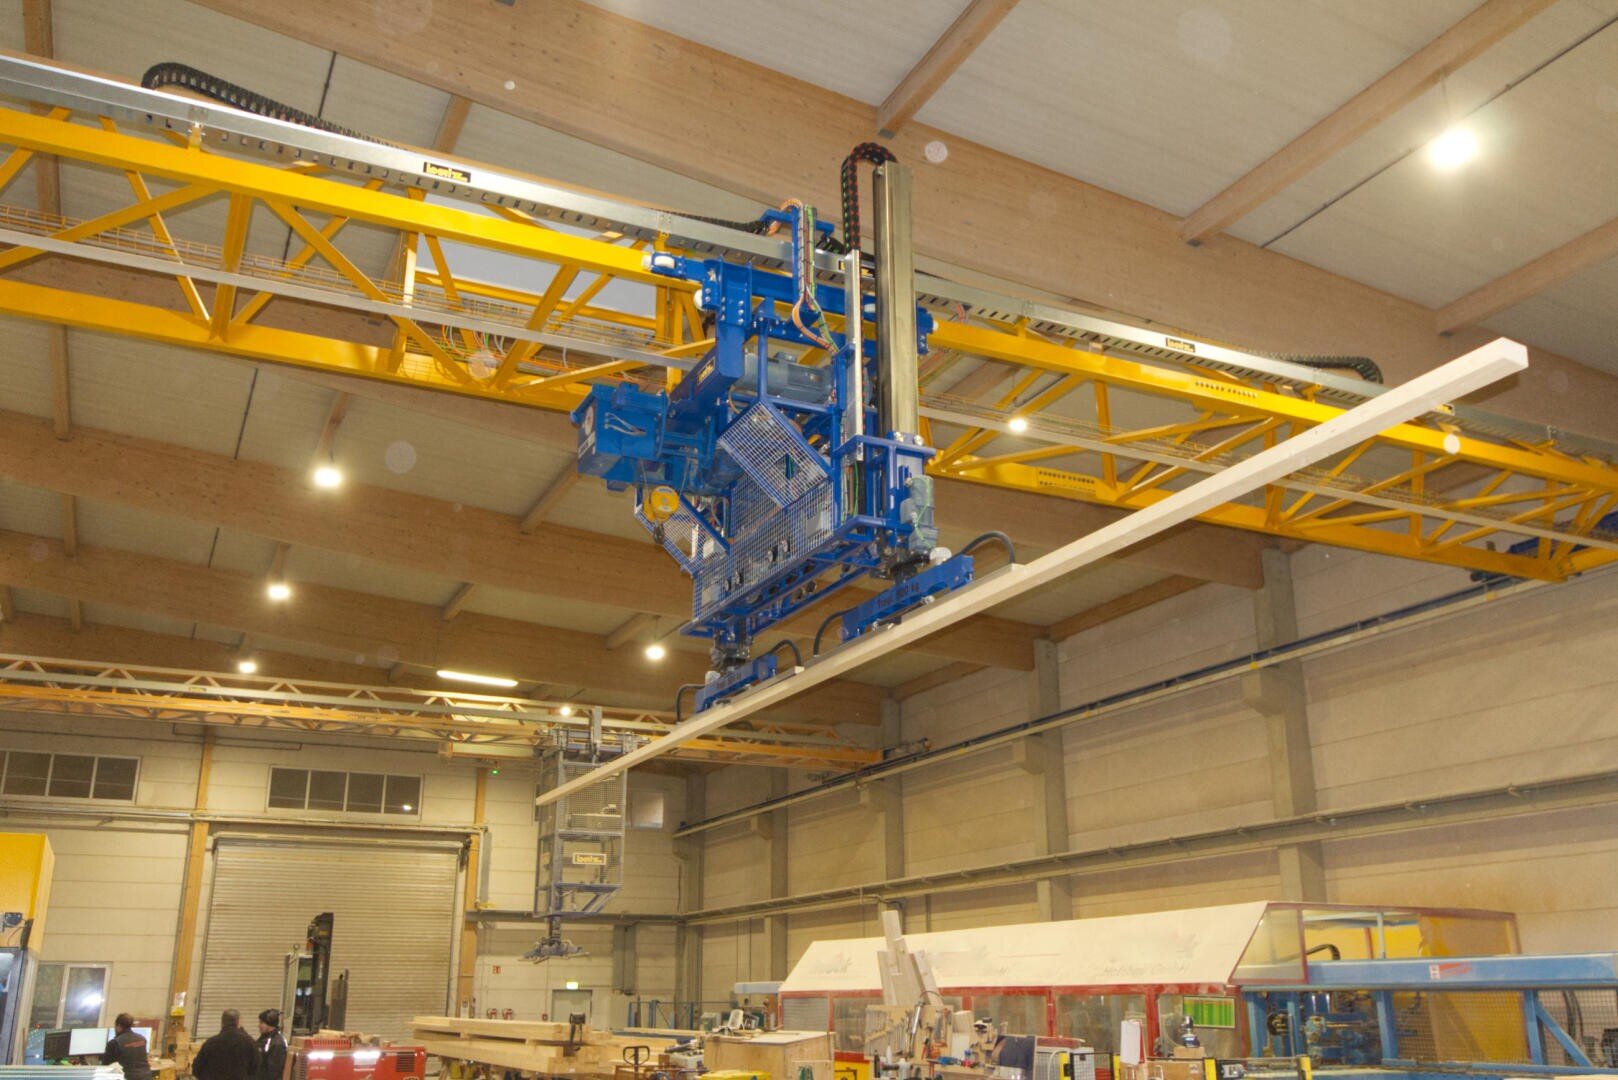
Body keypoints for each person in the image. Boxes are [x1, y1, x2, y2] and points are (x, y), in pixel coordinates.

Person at [192, 1009, 261, 1080]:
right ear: (238, 1023)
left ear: (222, 1024)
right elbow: (256, 1069)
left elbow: (197, 1069)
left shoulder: (210, 1043)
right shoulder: (250, 1043)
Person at [102, 1013, 154, 1080]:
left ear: (118, 1026)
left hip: (126, 1077)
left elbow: (105, 1067)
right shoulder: (142, 1039)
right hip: (146, 1076)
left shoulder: (114, 1043)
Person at [256, 1009, 287, 1080]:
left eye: (261, 1023)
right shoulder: (264, 1038)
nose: (259, 1025)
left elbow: (273, 1071)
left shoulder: (277, 1043)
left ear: (269, 1024)